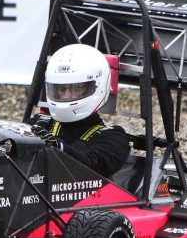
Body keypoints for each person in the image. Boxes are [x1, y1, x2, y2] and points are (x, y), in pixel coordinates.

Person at [28, 43, 130, 179]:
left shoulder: (113, 137)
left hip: (87, 198)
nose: (66, 96)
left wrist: (57, 147)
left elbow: (92, 167)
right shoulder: (40, 124)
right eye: (60, 89)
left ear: (97, 87)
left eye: (76, 89)